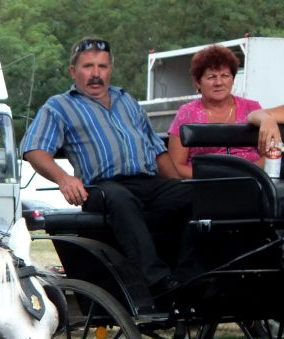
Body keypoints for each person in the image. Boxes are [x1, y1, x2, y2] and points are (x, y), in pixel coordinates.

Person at [22, 38, 192, 294]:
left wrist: (177, 187)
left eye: (102, 66)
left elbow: (158, 151)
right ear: (73, 71)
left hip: (148, 183)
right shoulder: (59, 106)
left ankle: (191, 277)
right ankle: (158, 282)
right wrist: (65, 179)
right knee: (120, 198)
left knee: (197, 196)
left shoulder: (128, 101)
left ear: (110, 69)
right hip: (102, 188)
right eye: (88, 66)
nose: (95, 74)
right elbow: (34, 149)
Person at [167, 45, 263, 178]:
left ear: (232, 79)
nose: (219, 82)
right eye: (211, 77)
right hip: (205, 186)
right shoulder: (186, 113)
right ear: (198, 83)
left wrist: (245, 176)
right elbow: (175, 165)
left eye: (225, 75)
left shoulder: (253, 108)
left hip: (252, 182)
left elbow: (269, 156)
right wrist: (215, 179)